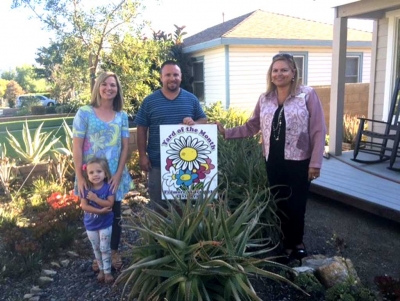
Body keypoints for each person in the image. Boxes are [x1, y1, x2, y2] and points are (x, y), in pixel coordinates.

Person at [216, 53, 326, 262]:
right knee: (280, 203)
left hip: (300, 160)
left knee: (297, 204)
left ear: (293, 72)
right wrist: (226, 132)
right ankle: (286, 244)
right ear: (271, 74)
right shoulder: (265, 99)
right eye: (275, 70)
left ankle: (298, 243)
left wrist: (315, 162)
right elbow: (252, 126)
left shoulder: (307, 95)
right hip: (273, 161)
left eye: (284, 70)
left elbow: (318, 130)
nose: (279, 74)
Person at [72, 71, 131, 271]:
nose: (109, 88)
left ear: (118, 89)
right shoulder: (85, 113)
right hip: (92, 176)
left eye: (113, 85)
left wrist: (118, 173)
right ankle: (99, 255)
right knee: (94, 215)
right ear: (98, 86)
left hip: (114, 174)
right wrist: (80, 177)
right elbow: (77, 147)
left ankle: (113, 251)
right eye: (105, 84)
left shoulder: (121, 116)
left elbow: (125, 147)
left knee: (114, 213)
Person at [135, 60, 207, 211]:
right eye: (168, 75)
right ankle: (158, 235)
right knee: (159, 208)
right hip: (157, 163)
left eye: (175, 74)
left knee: (184, 209)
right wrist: (142, 155)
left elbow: (203, 120)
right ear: (161, 77)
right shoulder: (149, 101)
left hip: (185, 166)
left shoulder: (191, 99)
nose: (172, 78)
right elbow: (141, 128)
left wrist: (194, 122)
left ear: (181, 77)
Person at [80, 158, 115, 283]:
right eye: (91, 172)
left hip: (105, 224)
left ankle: (107, 271)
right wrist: (100, 211)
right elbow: (84, 206)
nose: (95, 175)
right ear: (87, 175)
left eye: (99, 171)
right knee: (96, 248)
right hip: (91, 225)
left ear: (105, 173)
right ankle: (100, 269)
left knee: (104, 247)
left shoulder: (108, 187)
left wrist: (95, 199)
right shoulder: (86, 189)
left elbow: (110, 204)